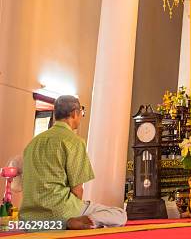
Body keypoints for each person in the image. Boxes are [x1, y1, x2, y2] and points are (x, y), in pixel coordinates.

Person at [20, 95, 127, 229]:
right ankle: (72, 222)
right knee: (119, 214)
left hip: (29, 218)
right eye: (82, 112)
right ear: (74, 113)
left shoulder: (33, 143)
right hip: (61, 212)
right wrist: (72, 213)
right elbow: (77, 191)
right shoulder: (73, 141)